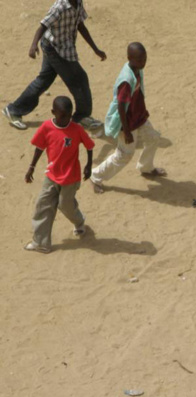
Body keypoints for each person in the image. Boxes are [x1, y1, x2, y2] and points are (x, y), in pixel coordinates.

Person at [3, 0, 106, 131]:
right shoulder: (60, 7)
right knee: (79, 79)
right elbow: (42, 26)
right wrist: (33, 45)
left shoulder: (78, 3)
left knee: (44, 80)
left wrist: (95, 49)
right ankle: (82, 117)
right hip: (55, 49)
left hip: (61, 47)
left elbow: (80, 25)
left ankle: (13, 110)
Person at [90, 42, 166, 193]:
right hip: (127, 123)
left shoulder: (137, 70)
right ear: (129, 58)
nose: (143, 62)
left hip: (138, 117)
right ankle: (96, 176)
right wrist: (126, 131)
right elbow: (120, 107)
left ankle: (146, 167)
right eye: (139, 60)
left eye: (144, 59)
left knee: (153, 138)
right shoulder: (126, 80)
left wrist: (142, 111)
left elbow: (137, 95)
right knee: (124, 155)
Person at [23, 96, 94, 253]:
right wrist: (31, 167)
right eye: (62, 115)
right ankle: (40, 242)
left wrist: (89, 165)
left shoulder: (77, 129)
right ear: (53, 112)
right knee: (43, 205)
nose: (65, 119)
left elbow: (89, 146)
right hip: (51, 175)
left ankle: (79, 221)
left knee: (65, 205)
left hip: (70, 177)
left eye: (68, 115)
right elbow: (39, 147)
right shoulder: (46, 127)